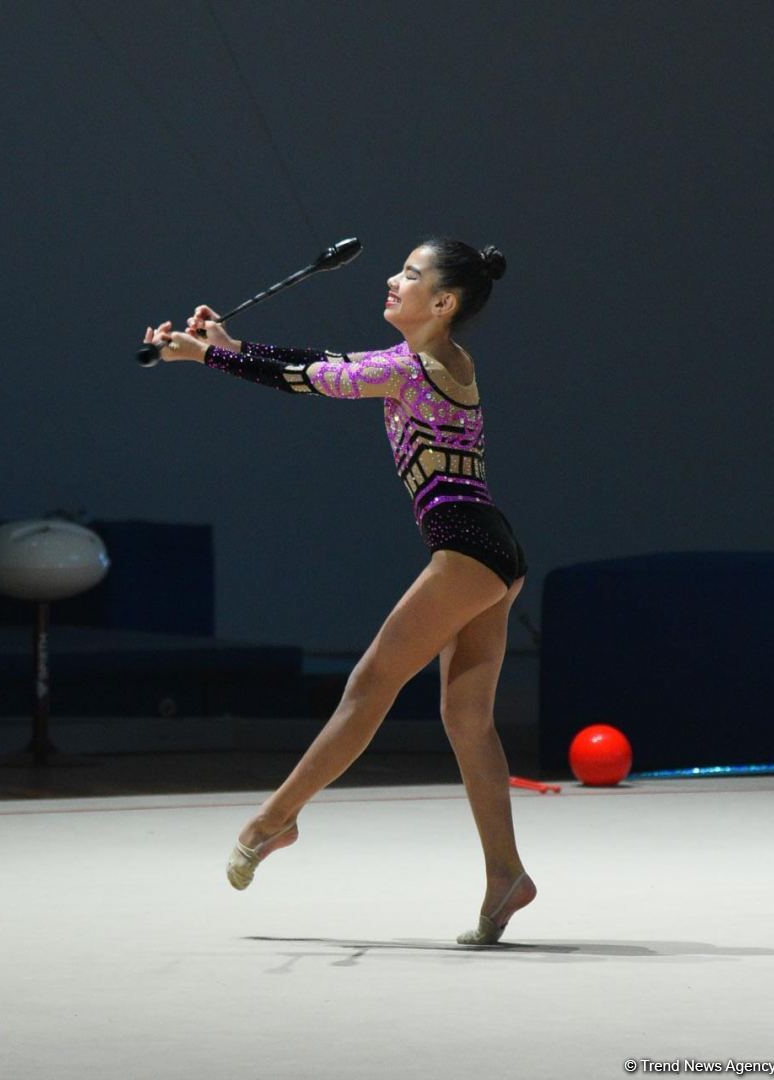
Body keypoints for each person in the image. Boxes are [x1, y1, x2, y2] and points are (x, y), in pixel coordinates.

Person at [142, 237, 537, 945]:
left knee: (368, 685)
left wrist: (208, 356)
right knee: (467, 719)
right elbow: (325, 363)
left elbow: (313, 376)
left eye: (410, 274)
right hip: (494, 551)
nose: (393, 279)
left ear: (443, 301)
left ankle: (275, 819)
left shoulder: (412, 367)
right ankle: (506, 874)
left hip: (468, 551)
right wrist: (229, 345)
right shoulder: (439, 360)